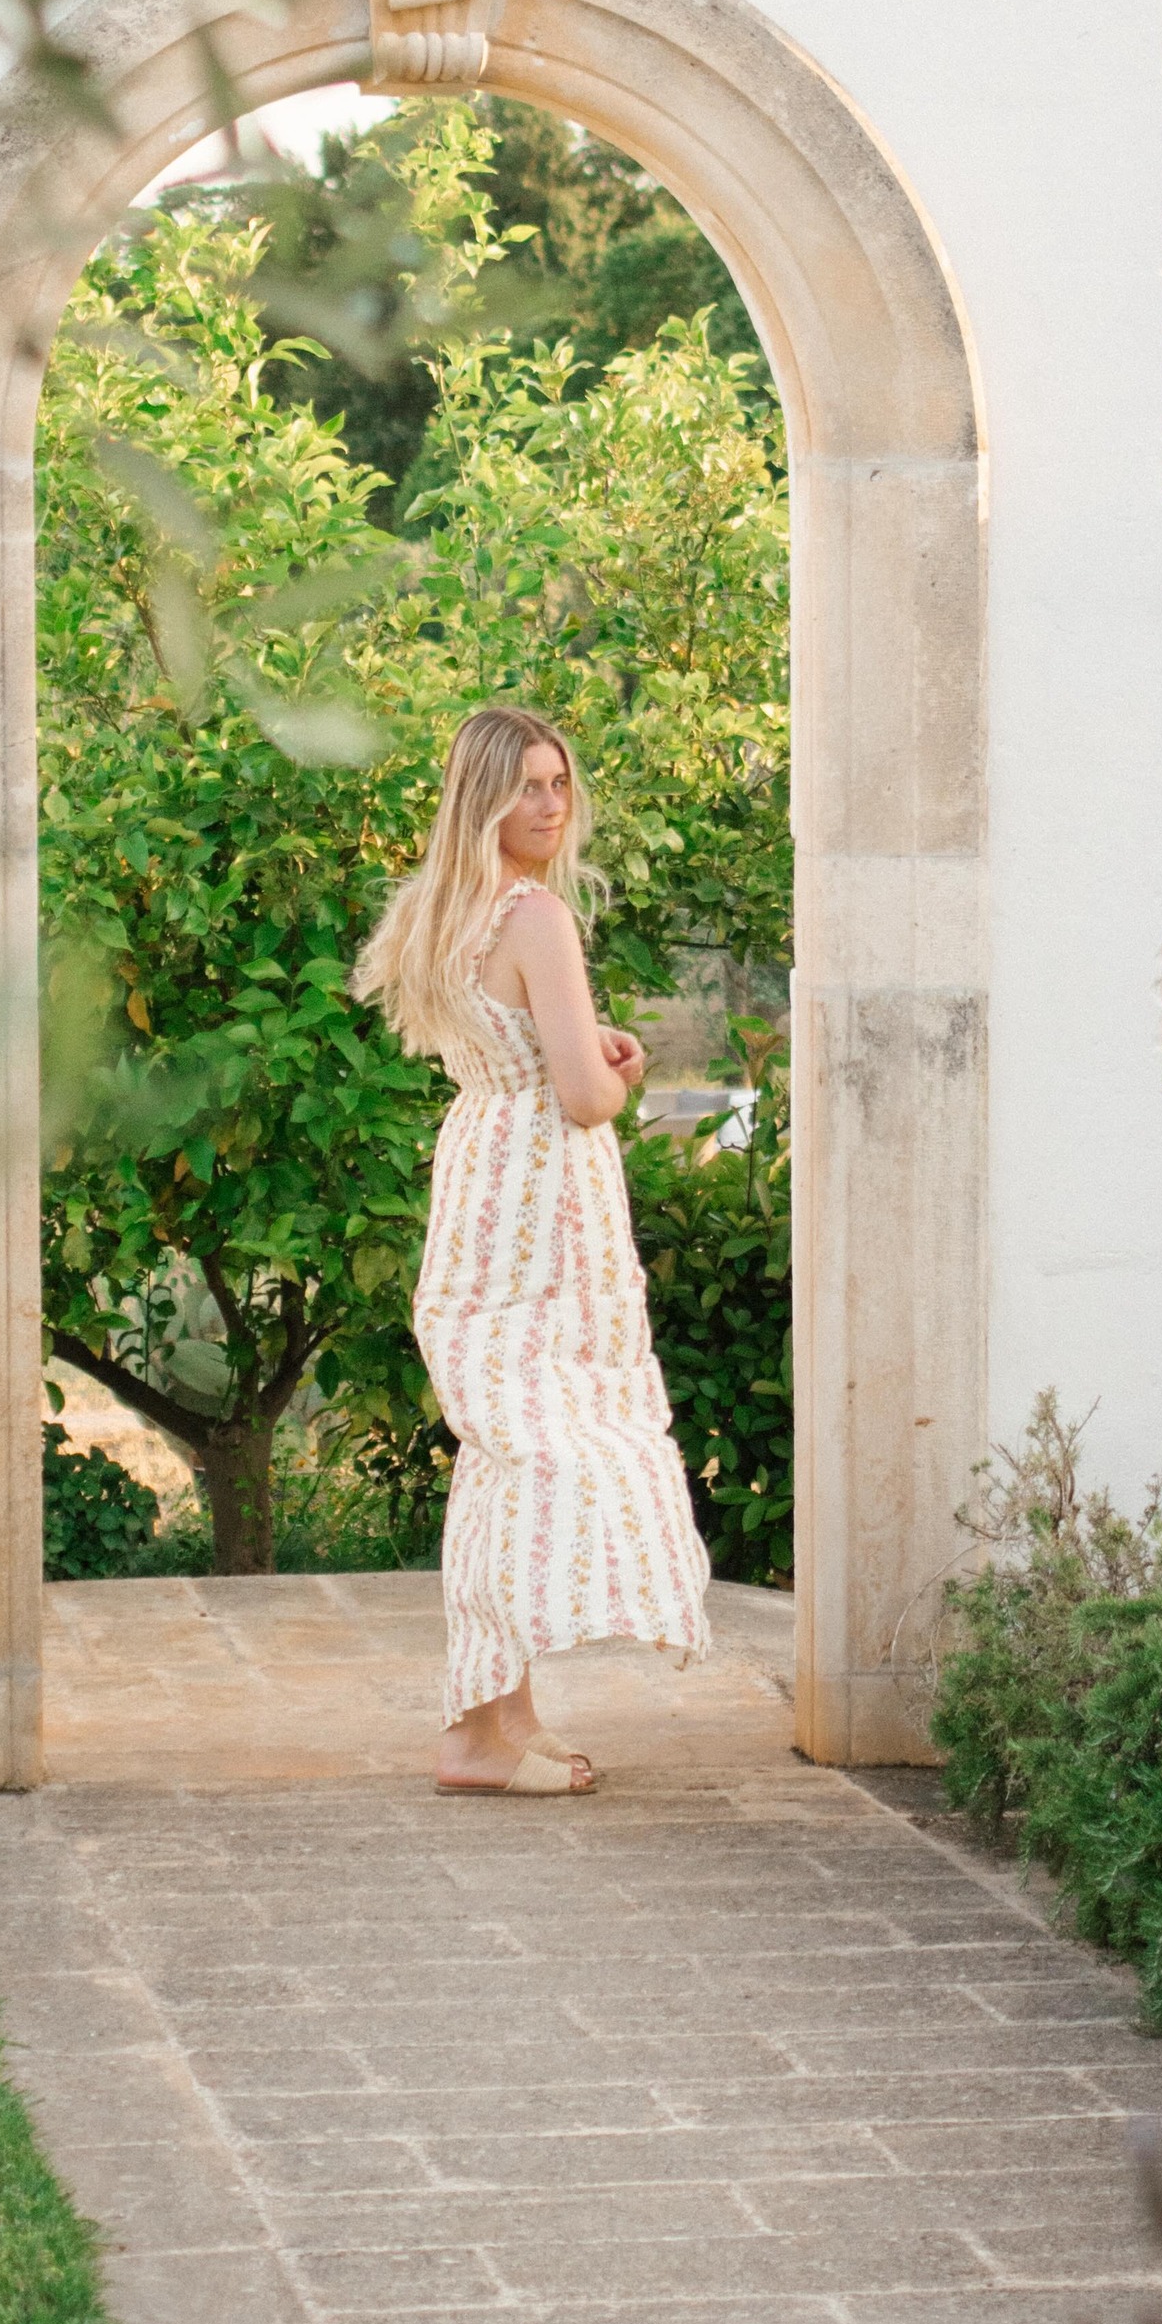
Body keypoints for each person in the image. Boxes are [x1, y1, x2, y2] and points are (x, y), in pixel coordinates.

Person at [355, 703, 711, 1793]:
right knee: (550, 1440)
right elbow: (580, 1095)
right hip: (546, 1201)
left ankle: (497, 1717)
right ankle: (474, 1734)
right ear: (486, 796)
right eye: (528, 787)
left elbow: (509, 1050)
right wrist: (624, 1069)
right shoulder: (538, 917)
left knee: (503, 1442)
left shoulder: (437, 908)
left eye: (559, 783)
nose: (550, 805)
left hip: (480, 1181)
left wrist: (581, 1050)